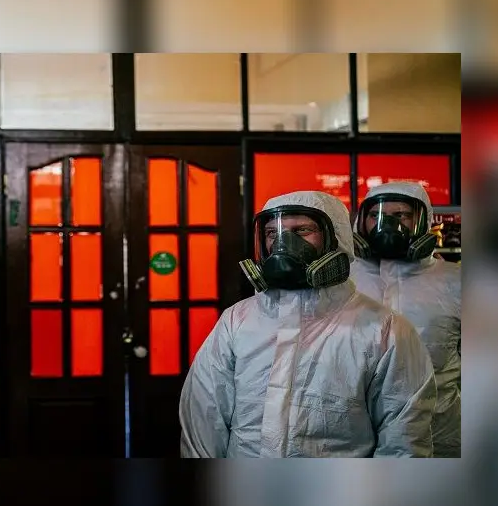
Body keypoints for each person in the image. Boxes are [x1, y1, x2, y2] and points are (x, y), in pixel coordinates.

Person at [180, 190, 436, 457]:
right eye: (272, 233)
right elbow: (204, 419)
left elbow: (404, 438)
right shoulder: (236, 321)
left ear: (335, 239)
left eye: (302, 231)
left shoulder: (385, 329)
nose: (283, 243)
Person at [350, 182, 461, 457]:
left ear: (422, 221)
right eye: (375, 215)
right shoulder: (343, 282)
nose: (386, 225)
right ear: (361, 222)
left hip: (438, 433)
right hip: (354, 436)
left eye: (400, 216)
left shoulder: (455, 282)